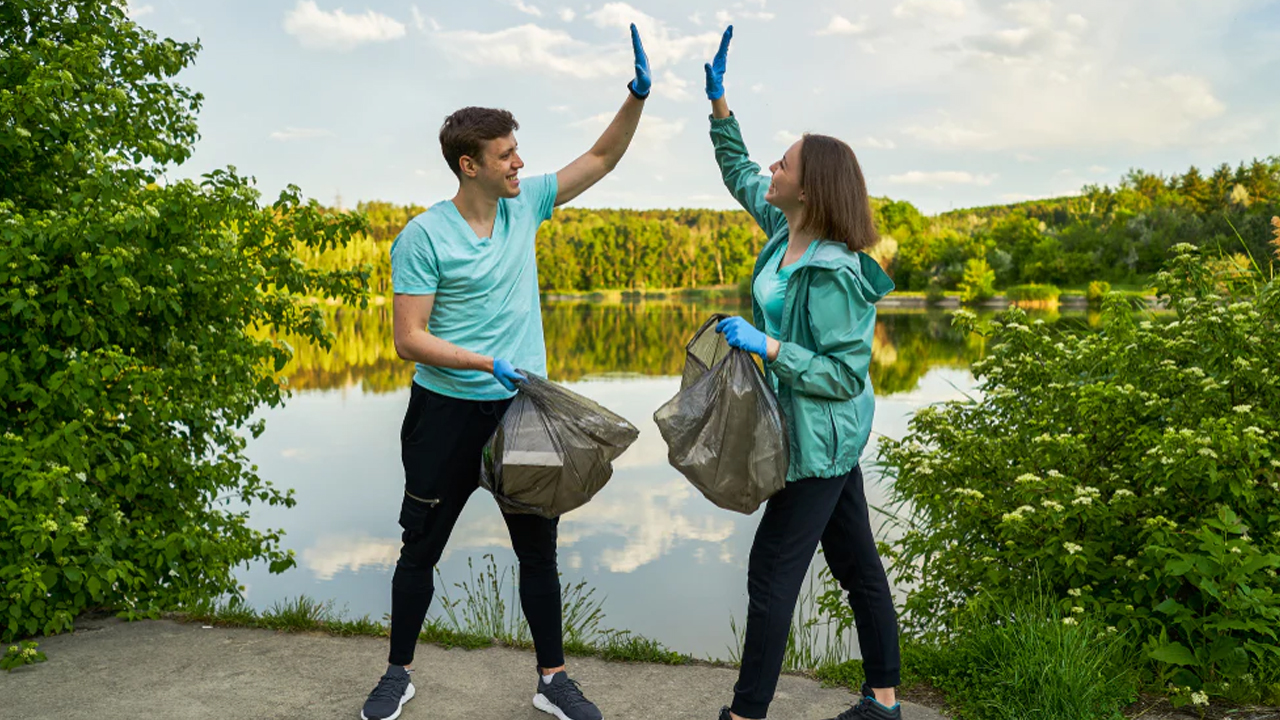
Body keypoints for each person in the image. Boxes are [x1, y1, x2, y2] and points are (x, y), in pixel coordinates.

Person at [359, 24, 653, 720]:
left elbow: (602, 158)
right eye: (506, 155)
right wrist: (482, 361)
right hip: (447, 413)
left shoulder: (527, 207)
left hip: (523, 414)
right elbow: (409, 339)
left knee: (538, 551)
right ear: (469, 165)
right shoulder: (424, 236)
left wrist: (636, 96)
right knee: (419, 550)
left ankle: (552, 679)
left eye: (518, 152)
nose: (520, 163)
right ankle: (397, 674)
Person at [702, 26, 903, 720]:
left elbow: (846, 376)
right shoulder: (784, 230)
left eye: (783, 166)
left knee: (771, 574)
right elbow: (738, 173)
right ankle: (883, 700)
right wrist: (721, 105)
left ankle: (745, 712)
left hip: (817, 442)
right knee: (857, 566)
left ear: (811, 189)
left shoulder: (838, 273)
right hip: (810, 433)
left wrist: (768, 346)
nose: (772, 173)